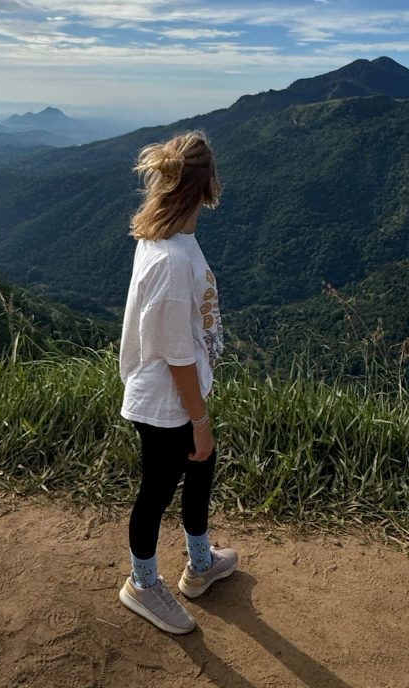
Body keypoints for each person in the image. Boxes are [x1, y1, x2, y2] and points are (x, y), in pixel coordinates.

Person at [117, 130, 238, 635]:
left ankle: (200, 562)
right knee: (157, 489)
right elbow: (175, 355)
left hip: (180, 396)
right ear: (207, 184)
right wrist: (200, 418)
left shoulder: (167, 237)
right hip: (167, 402)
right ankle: (142, 584)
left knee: (201, 467)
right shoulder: (169, 259)